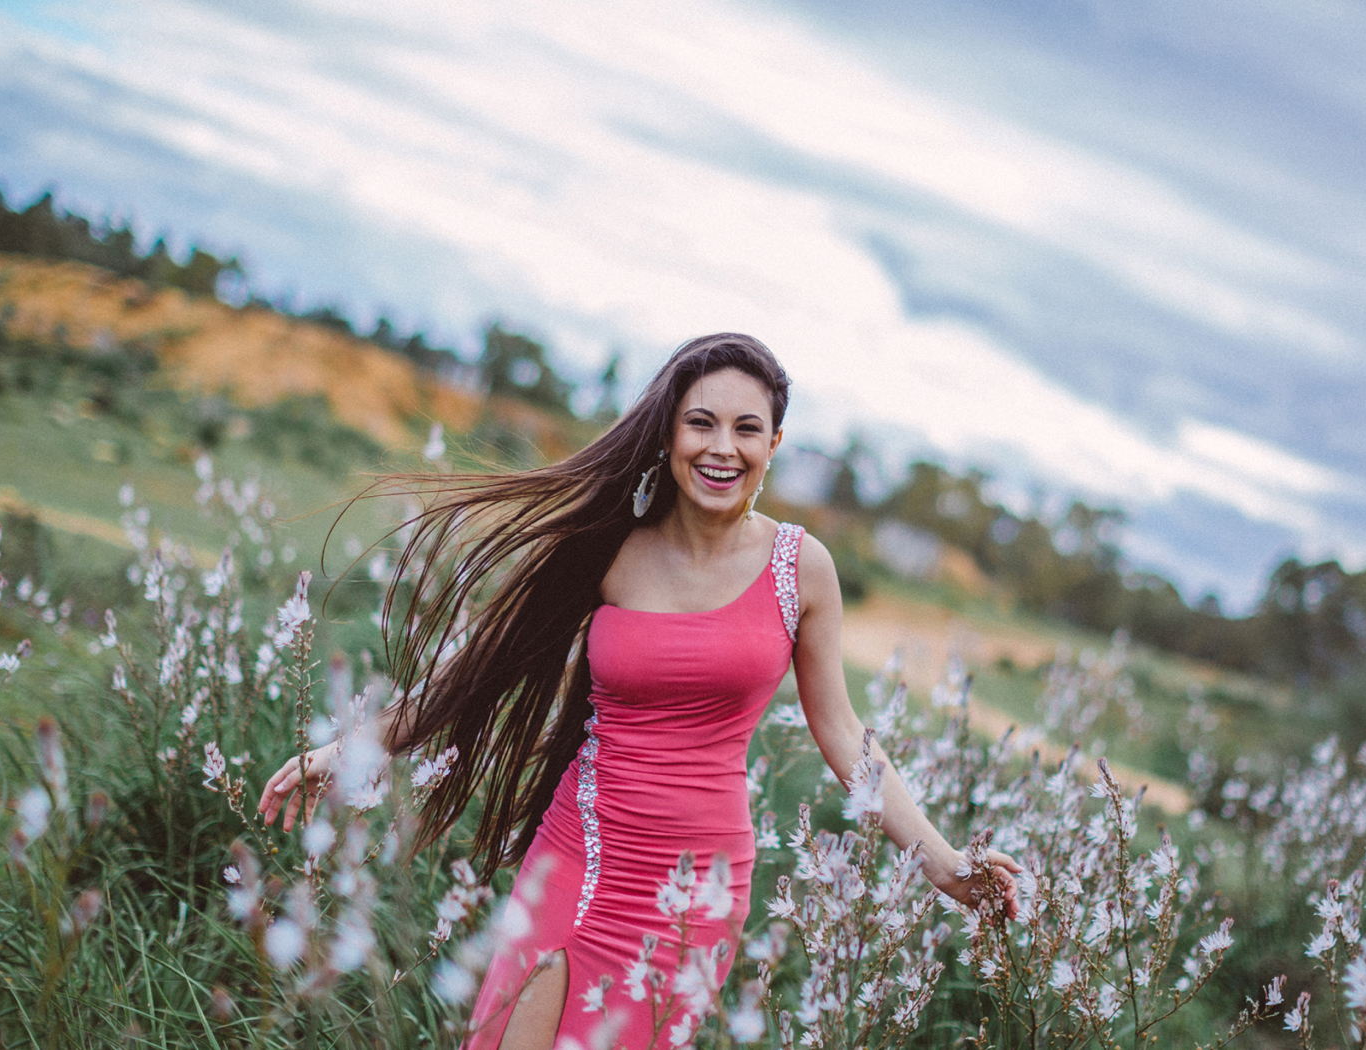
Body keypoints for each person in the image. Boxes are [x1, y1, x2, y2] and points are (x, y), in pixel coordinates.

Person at [258, 333, 1021, 1050]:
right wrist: (350, 747)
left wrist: (944, 863)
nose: (723, 448)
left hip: (698, 890)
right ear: (667, 435)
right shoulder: (608, 549)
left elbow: (845, 735)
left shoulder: (801, 568)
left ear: (774, 447)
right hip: (580, 854)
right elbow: (482, 668)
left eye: (747, 430)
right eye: (701, 423)